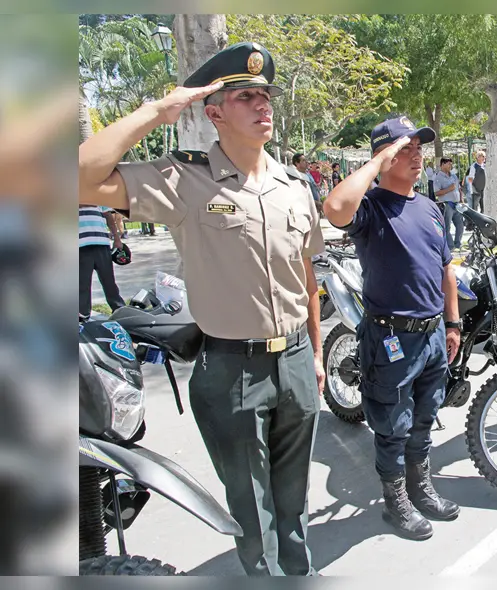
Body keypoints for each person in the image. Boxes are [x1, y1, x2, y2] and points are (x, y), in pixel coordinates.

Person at [78, 42, 325, 577]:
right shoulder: (183, 181)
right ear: (214, 114)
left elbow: (307, 278)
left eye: (265, 95)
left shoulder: (294, 187)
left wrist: (317, 354)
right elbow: (79, 177)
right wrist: (156, 111)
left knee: (294, 498)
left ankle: (300, 573)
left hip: (296, 359)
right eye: (244, 97)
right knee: (251, 506)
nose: (262, 105)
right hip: (231, 368)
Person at [324, 116, 462, 541]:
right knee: (392, 425)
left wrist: (453, 323)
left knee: (424, 418)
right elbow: (334, 208)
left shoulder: (430, 208)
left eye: (419, 147)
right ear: (383, 156)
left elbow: (446, 270)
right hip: (391, 339)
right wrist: (376, 164)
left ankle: (420, 487)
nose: (416, 155)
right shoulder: (370, 208)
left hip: (433, 335)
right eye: (405, 149)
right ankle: (395, 501)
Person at [78, 204, 126, 319]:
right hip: (81, 244)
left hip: (101, 242)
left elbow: (108, 216)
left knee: (109, 280)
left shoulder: (98, 196)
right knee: (82, 283)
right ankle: (82, 314)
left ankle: (119, 310)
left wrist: (117, 238)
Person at [434, 157, 465, 250]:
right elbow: (436, 193)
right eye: (448, 164)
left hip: (457, 204)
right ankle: (450, 247)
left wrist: (461, 199)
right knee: (447, 227)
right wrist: (449, 189)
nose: (450, 166)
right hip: (447, 205)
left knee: (460, 225)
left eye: (451, 164)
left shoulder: (454, 176)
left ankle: (458, 244)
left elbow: (459, 189)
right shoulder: (438, 178)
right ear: (442, 164)